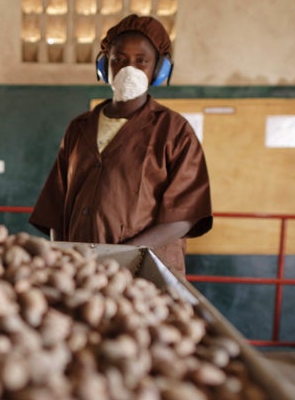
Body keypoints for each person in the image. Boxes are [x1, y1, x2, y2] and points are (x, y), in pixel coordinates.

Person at [29, 14, 212, 275]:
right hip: (83, 270)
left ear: (158, 70)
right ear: (105, 65)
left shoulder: (174, 130)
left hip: (146, 270)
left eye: (142, 61)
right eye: (119, 59)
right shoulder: (79, 128)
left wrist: (120, 256)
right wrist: (64, 256)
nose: (129, 69)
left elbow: (184, 215)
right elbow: (56, 208)